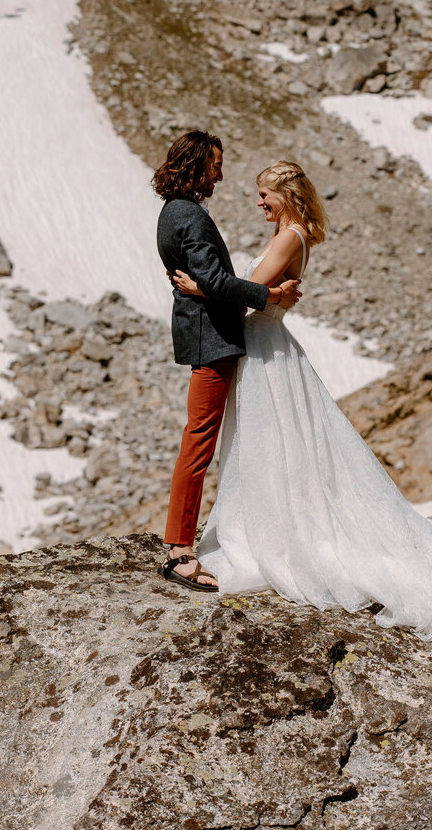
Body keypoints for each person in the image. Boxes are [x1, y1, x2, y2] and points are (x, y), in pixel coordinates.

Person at [172, 159, 432, 650]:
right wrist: (269, 292)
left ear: (285, 195)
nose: (258, 202)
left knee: (274, 445)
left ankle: (281, 535)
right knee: (275, 448)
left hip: (266, 352)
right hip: (265, 348)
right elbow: (268, 292)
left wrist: (202, 287)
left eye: (264, 194)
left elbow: (249, 298)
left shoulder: (289, 237)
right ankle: (275, 523)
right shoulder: (293, 234)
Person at [153, 130, 301, 592]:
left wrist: (207, 286)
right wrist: (268, 293)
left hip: (208, 334)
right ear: (198, 165)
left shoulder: (172, 211)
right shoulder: (190, 216)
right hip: (212, 340)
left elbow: (206, 281)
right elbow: (212, 278)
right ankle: (179, 551)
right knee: (199, 441)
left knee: (204, 438)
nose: (220, 173)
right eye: (216, 164)